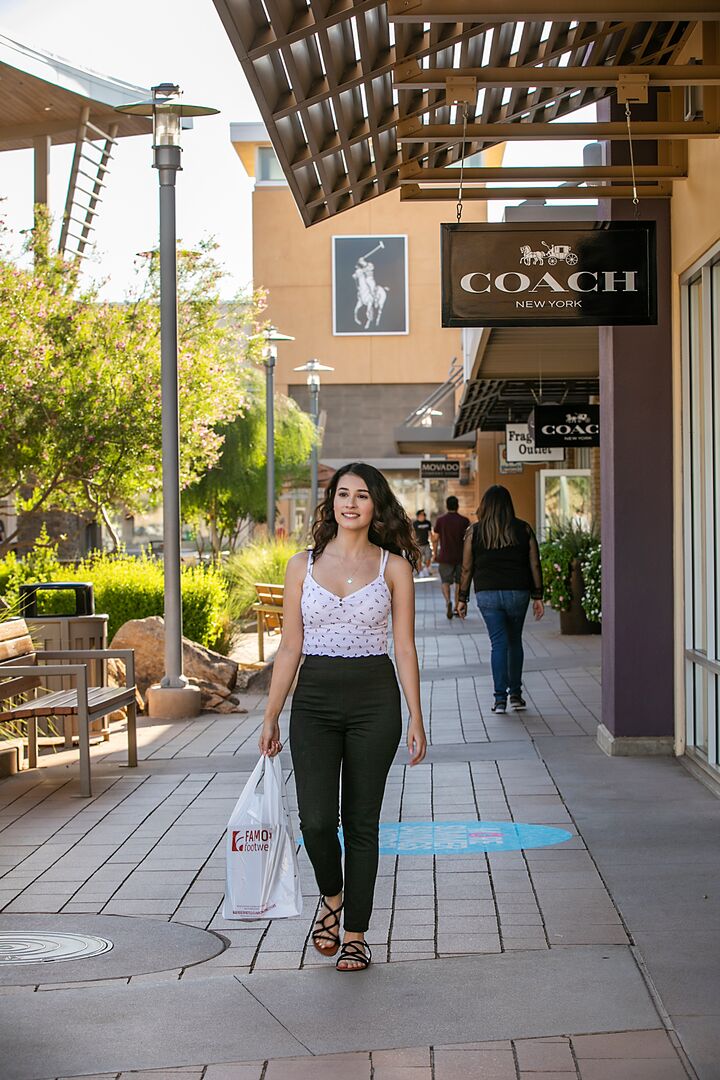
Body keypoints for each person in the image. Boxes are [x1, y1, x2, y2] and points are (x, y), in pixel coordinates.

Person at [259, 462, 427, 973]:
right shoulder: (300, 565)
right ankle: (331, 895)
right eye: (342, 494)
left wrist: (417, 718)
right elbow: (290, 646)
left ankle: (355, 932)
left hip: (375, 699)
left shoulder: (393, 567)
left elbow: (404, 646)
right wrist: (270, 716)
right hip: (313, 700)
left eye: (361, 495)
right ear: (332, 503)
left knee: (361, 822)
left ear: (376, 506)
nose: (350, 503)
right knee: (313, 821)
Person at [456, 485, 544, 713]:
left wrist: (462, 598)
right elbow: (534, 563)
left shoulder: (474, 532)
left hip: (487, 594)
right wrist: (538, 595)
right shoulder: (523, 529)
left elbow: (467, 568)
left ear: (485, 506)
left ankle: (499, 699)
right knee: (514, 641)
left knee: (498, 644)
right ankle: (515, 695)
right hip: (518, 592)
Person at [432, 495, 470, 619]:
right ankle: (457, 607)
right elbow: (469, 539)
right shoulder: (464, 521)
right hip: (461, 557)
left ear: (446, 506)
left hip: (445, 556)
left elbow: (436, 539)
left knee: (445, 582)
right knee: (460, 582)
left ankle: (448, 601)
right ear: (457, 506)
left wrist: (435, 554)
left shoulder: (441, 520)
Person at [412, 509, 433, 577]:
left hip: (426, 544)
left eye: (424, 515)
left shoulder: (428, 523)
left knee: (428, 557)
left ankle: (426, 569)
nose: (423, 516)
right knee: (419, 559)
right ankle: (420, 571)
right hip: (418, 545)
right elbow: (413, 534)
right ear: (418, 516)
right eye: (422, 515)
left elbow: (430, 533)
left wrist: (432, 541)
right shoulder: (415, 524)